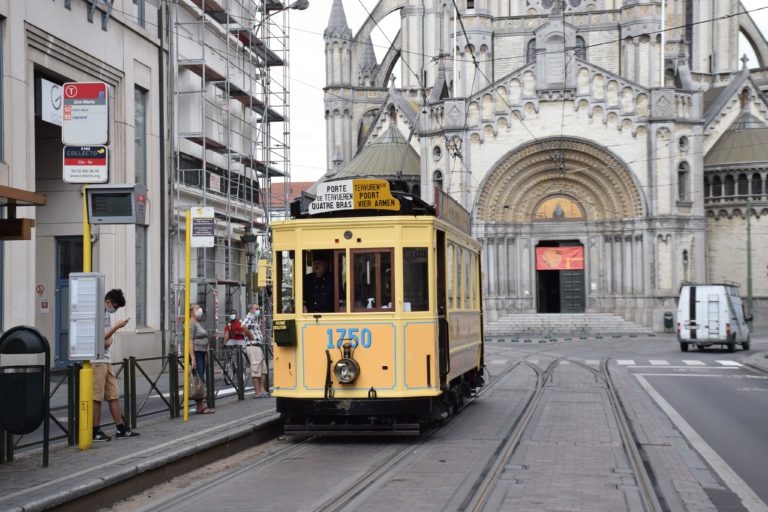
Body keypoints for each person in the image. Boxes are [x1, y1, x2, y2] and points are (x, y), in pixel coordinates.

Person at [92, 289, 140, 441]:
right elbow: (99, 338)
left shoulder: (106, 313)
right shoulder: (97, 313)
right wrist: (116, 328)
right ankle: (95, 431)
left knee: (113, 394)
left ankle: (121, 429)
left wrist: (109, 337)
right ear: (107, 302)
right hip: (96, 360)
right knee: (97, 397)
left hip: (105, 359)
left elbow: (106, 339)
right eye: (115, 306)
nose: (115, 310)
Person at [189, 304, 214, 414]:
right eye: (197, 308)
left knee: (201, 377)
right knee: (199, 378)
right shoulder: (191, 323)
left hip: (202, 352)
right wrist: (193, 358)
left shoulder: (196, 322)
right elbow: (190, 341)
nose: (200, 309)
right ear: (191, 312)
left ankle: (201, 405)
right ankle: (200, 406)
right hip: (197, 352)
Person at [243, 304, 269, 398]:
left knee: (263, 369)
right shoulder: (249, 317)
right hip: (252, 346)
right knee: (256, 370)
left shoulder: (254, 319)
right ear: (251, 310)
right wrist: (250, 335)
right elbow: (243, 326)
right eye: (256, 309)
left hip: (258, 346)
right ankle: (258, 392)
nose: (258, 310)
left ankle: (262, 390)